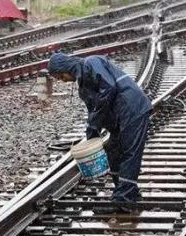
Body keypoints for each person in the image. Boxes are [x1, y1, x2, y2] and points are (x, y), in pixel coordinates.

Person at [47, 51, 152, 212]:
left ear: (65, 68)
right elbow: (94, 111)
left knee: (129, 153)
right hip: (119, 117)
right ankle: (128, 193)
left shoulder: (91, 62)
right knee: (113, 152)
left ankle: (123, 201)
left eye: (60, 77)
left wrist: (94, 123)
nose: (63, 81)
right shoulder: (83, 86)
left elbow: (109, 88)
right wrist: (92, 133)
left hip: (133, 109)